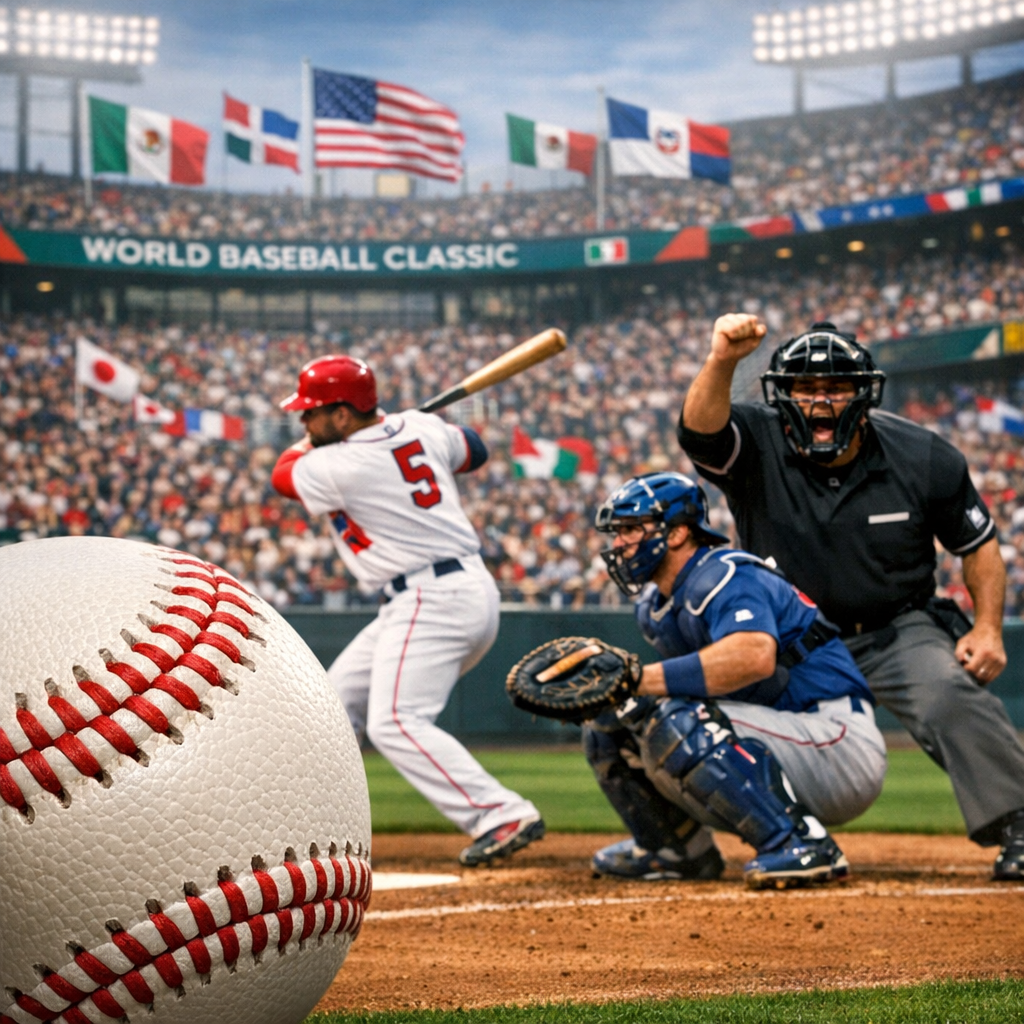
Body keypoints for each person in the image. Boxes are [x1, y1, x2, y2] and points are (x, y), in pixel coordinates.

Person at [678, 315, 1024, 881]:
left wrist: (986, 627)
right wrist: (721, 360)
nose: (819, 400)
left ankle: (1020, 822)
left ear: (864, 393)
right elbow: (699, 433)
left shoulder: (922, 454)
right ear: (782, 394)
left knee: (948, 694)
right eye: (804, 388)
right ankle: (687, 842)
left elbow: (977, 544)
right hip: (792, 640)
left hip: (895, 628)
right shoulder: (756, 442)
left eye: (836, 387)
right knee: (688, 717)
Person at [271, 355, 544, 866]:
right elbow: (474, 448)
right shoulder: (418, 427)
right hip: (443, 592)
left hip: (432, 597)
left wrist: (338, 440)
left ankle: (501, 814)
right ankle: (310, 828)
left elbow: (282, 476)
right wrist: (411, 428)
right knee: (335, 705)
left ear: (343, 415)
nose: (304, 422)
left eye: (312, 412)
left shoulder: (341, 464)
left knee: (396, 721)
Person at [585, 471, 887, 888]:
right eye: (618, 532)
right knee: (612, 718)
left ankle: (803, 844)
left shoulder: (725, 575)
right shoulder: (655, 604)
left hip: (836, 739)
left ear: (677, 533)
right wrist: (620, 692)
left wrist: (635, 678)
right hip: (782, 736)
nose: (619, 542)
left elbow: (753, 658)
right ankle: (676, 850)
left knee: (679, 718)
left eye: (632, 529)